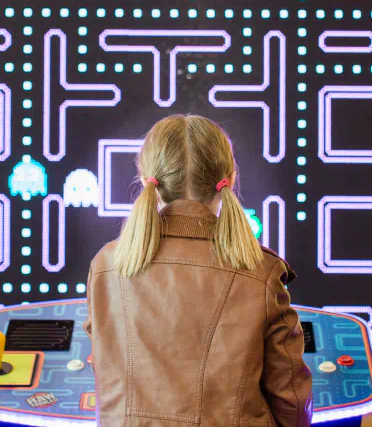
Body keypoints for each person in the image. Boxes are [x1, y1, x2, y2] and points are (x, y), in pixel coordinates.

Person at [84, 114, 312, 427]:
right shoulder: (262, 272)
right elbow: (291, 399)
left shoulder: (106, 266)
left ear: (147, 177)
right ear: (229, 179)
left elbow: (106, 373)